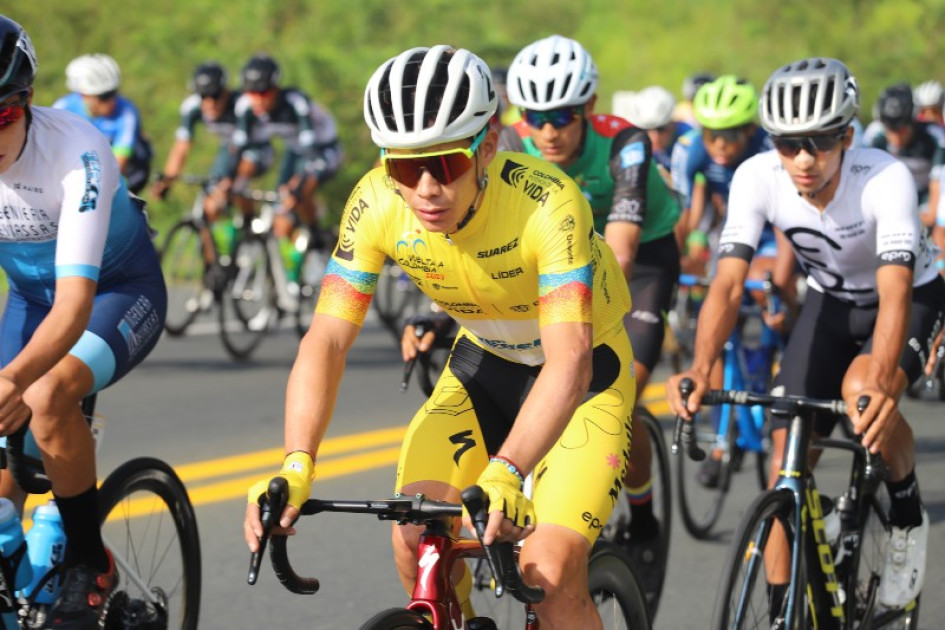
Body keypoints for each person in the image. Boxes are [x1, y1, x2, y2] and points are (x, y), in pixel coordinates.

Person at [243, 45, 635, 627]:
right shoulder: (375, 201)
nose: (425, 188)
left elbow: (569, 361)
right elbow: (325, 339)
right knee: (413, 536)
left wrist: (506, 470)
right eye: (403, 167)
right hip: (483, 363)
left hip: (583, 379)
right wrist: (297, 464)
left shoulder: (548, 203)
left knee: (547, 572)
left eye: (446, 164)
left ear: (490, 145)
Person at [668, 57, 943, 615]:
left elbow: (893, 295)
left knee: (865, 388)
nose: (802, 159)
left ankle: (908, 516)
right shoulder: (756, 177)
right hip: (831, 300)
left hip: (912, 296)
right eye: (787, 143)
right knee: (784, 463)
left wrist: (885, 385)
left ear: (846, 135)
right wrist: (700, 367)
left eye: (818, 142)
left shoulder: (884, 178)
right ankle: (780, 609)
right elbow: (726, 285)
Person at [499, 34, 680, 600]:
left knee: (620, 390)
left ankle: (643, 512)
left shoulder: (624, 141)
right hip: (556, 264)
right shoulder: (511, 141)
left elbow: (620, 253)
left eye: (562, 115)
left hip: (639, 260)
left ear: (590, 106)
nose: (547, 130)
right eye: (535, 115)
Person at [0, 15, 167, 628]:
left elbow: (72, 307)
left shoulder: (78, 153)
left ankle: (89, 563)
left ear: (28, 100)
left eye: (0, 117)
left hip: (114, 295)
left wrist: (13, 380)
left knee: (45, 395)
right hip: (28, 302)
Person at [151, 62, 273, 285]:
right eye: (203, 96)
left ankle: (248, 221)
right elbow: (182, 146)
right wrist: (168, 179)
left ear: (225, 90)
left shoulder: (242, 104)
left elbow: (240, 147)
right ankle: (213, 263)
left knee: (234, 184)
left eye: (215, 96)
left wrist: (228, 182)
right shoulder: (192, 107)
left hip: (256, 150)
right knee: (208, 207)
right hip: (229, 150)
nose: (209, 103)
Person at [215, 54, 341, 240]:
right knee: (279, 211)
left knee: (298, 193)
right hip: (295, 151)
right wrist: (227, 178)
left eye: (263, 92)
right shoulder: (245, 106)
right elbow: (239, 145)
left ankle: (316, 235)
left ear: (275, 89)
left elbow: (310, 150)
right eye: (251, 93)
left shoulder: (295, 102)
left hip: (323, 150)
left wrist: (297, 183)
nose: (257, 99)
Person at [52, 53, 152, 195]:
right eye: (104, 96)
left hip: (128, 173)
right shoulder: (63, 107)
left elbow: (119, 162)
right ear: (84, 95)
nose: (112, 102)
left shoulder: (127, 113)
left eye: (113, 93)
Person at [869, 82, 945, 229]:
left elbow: (937, 182)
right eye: (891, 130)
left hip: (925, 195)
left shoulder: (934, 136)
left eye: (902, 129)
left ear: (914, 122)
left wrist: (931, 215)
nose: (896, 136)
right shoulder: (874, 136)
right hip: (890, 198)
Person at [613, 85, 691, 183]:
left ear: (673, 122)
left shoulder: (689, 137)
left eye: (661, 129)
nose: (654, 137)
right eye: (646, 129)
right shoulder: (633, 142)